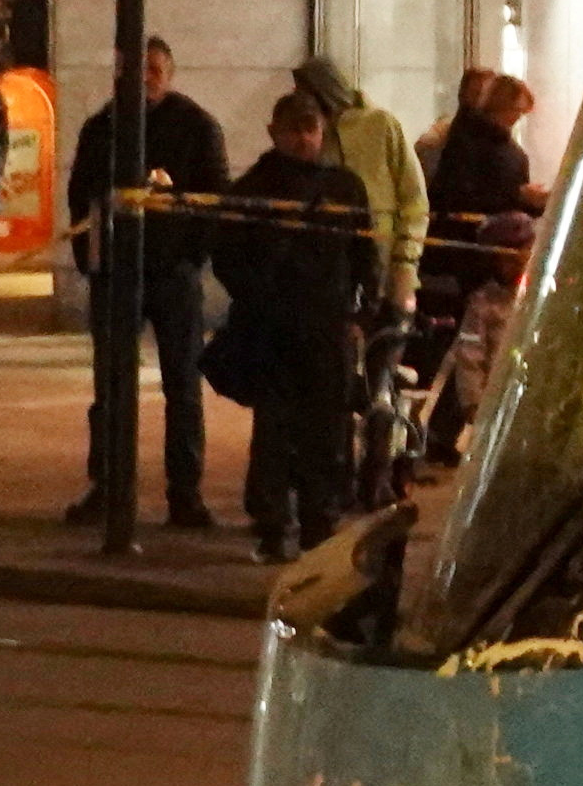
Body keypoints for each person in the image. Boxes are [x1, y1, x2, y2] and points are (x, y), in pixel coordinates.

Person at [208, 90, 381, 563]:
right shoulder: (253, 188)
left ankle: (318, 526)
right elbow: (226, 256)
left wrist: (361, 313)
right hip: (274, 329)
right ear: (275, 132)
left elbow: (366, 255)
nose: (304, 140)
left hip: (327, 327)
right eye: (295, 131)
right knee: (276, 431)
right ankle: (272, 526)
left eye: (311, 130)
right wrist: (259, 296)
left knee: (326, 431)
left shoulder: (345, 187)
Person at [65, 35, 229, 527]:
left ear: (169, 73)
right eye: (134, 70)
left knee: (182, 383)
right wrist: (91, 261)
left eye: (154, 70)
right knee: (111, 384)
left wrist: (192, 253)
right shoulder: (102, 128)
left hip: (173, 273)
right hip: (116, 272)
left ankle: (186, 492)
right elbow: (82, 199)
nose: (144, 79)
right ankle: (108, 485)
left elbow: (214, 198)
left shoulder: (197, 126)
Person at [422, 71, 540, 467]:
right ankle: (445, 432)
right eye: (516, 112)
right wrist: (518, 197)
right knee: (477, 350)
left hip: (479, 255)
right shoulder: (478, 145)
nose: (517, 121)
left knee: (473, 350)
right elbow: (465, 197)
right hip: (477, 259)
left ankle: (443, 433)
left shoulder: (470, 140)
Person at [294, 58, 425, 310]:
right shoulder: (316, 135)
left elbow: (413, 199)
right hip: (335, 273)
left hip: (388, 266)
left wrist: (405, 262)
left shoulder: (381, 124)